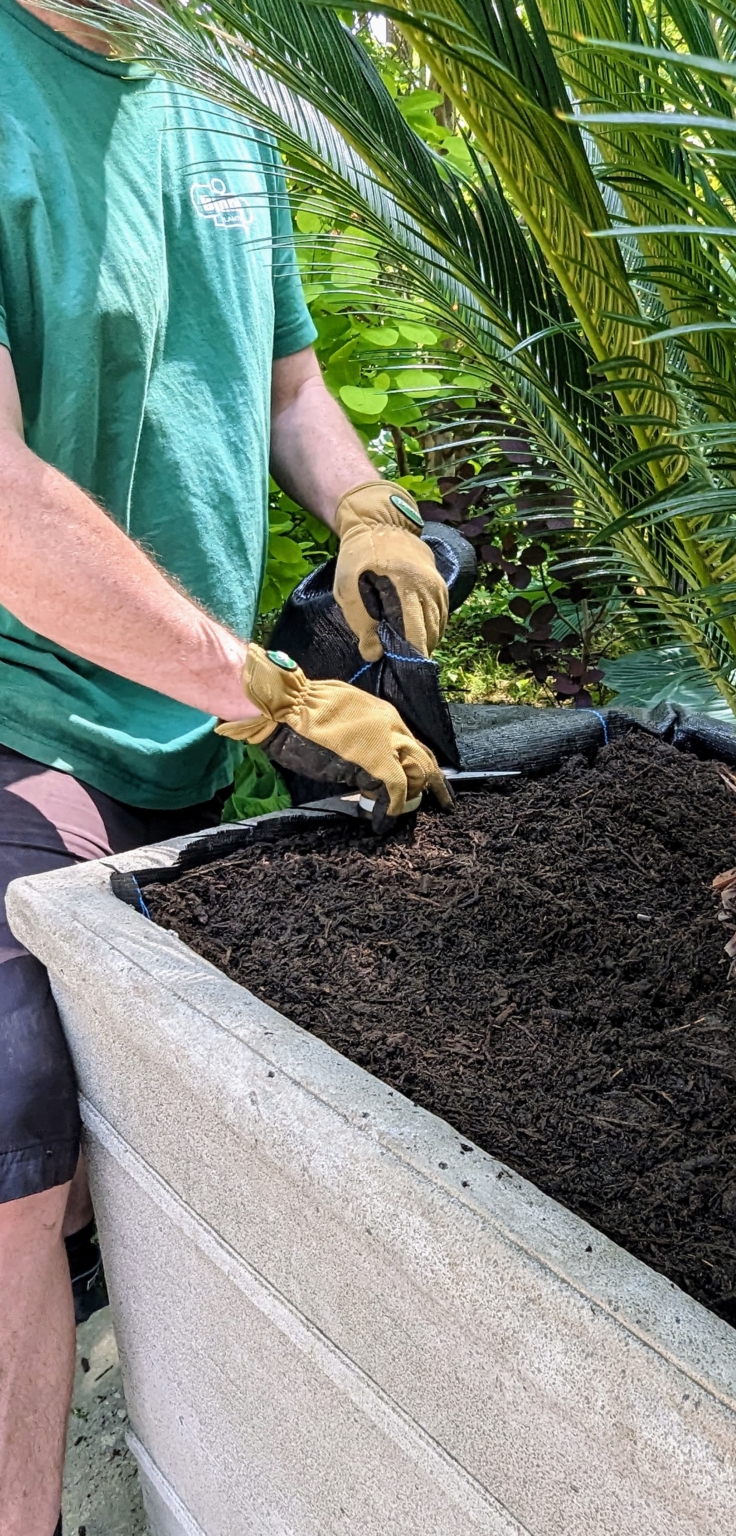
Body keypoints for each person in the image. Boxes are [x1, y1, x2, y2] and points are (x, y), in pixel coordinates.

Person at [0, 4, 452, 1532]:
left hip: (179, 714)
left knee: (97, 1157)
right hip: (26, 703)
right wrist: (263, 692)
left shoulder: (215, 92)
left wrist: (371, 510)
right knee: (14, 1112)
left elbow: (284, 388)